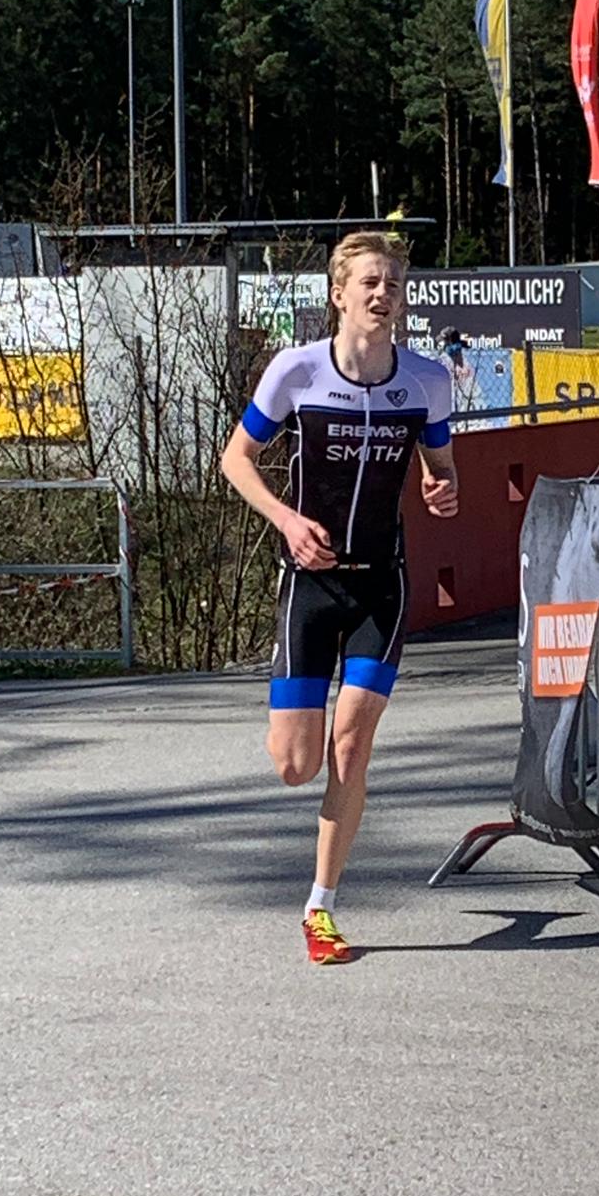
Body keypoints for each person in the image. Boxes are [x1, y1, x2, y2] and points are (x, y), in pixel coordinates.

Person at [221, 232, 459, 964]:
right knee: (297, 764)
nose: (383, 294)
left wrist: (442, 487)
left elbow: (442, 465)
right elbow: (236, 459)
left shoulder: (426, 381)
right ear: (339, 295)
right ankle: (298, 728)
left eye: (393, 283)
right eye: (369, 283)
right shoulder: (296, 371)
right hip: (311, 584)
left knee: (351, 746)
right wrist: (287, 521)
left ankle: (320, 908)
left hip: (381, 585)